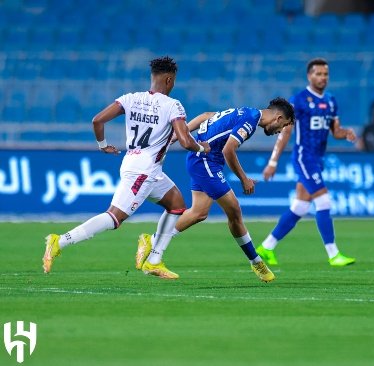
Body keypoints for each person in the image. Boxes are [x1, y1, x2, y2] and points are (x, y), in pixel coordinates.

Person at [42, 56, 210, 279]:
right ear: (169, 80)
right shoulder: (173, 105)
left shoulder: (130, 98)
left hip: (139, 165)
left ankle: (154, 260)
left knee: (177, 205)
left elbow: (97, 120)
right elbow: (186, 141)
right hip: (144, 171)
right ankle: (60, 241)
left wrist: (102, 145)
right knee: (114, 218)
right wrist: (203, 147)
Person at [135, 98, 295, 283]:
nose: (280, 131)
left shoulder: (245, 111)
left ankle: (152, 241)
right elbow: (229, 150)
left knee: (198, 213)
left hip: (201, 159)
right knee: (234, 212)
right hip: (206, 161)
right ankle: (256, 261)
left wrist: (177, 136)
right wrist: (244, 179)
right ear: (279, 117)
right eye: (284, 126)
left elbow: (206, 116)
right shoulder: (250, 119)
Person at [256, 58, 357, 267]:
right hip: (304, 157)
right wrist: (273, 161)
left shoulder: (331, 101)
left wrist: (345, 133)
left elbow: (335, 131)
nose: (322, 78)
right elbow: (285, 131)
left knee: (301, 206)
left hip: (318, 159)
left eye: (325, 74)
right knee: (324, 201)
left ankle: (266, 247)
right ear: (309, 76)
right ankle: (333, 254)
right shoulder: (299, 100)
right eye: (318, 74)